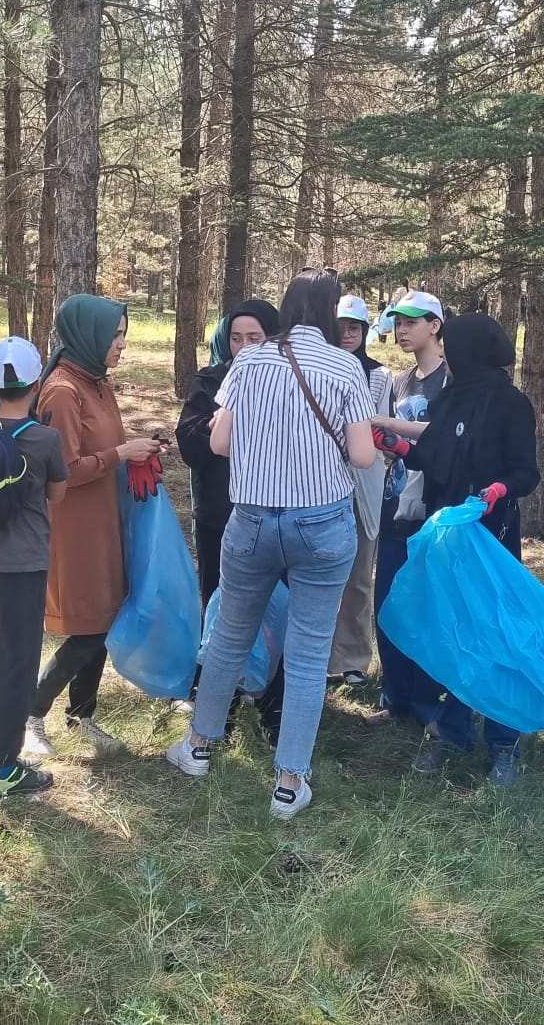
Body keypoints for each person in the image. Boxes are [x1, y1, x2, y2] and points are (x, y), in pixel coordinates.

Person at [165, 269, 376, 819]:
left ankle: (199, 747)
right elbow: (361, 457)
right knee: (307, 655)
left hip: (252, 520)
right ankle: (288, 784)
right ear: (332, 314)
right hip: (322, 525)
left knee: (230, 636)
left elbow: (219, 440)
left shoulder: (250, 361)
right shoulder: (345, 366)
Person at [391, 312, 539, 786]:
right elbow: (436, 457)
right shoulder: (453, 396)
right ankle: (452, 730)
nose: (446, 355)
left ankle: (503, 741)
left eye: (452, 346)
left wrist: (497, 490)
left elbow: (526, 472)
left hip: (490, 537)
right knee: (454, 631)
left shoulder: (511, 403)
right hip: (448, 536)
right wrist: (395, 446)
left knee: (494, 636)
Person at [27, 295, 163, 755]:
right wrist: (121, 455)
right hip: (75, 528)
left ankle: (81, 716)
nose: (122, 345)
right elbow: (61, 468)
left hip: (104, 521)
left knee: (103, 620)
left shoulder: (97, 383)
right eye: (116, 336)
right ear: (90, 337)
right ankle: (30, 713)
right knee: (89, 628)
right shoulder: (63, 391)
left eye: (124, 335)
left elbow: (106, 450)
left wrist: (139, 451)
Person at [0, 337, 67, 797]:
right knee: (16, 661)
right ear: (37, 384)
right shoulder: (44, 439)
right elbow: (57, 495)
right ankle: (5, 765)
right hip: (22, 564)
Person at [370, 290, 446, 725]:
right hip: (393, 503)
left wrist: (390, 426)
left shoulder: (451, 381)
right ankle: (394, 696)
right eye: (398, 322)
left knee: (428, 608)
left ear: (434, 325)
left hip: (432, 512)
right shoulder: (399, 381)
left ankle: (430, 702)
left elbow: (444, 436)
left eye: (412, 322)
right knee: (388, 605)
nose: (402, 330)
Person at [175, 299, 278, 607]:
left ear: (273, 338)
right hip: (219, 515)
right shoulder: (210, 381)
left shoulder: (289, 383)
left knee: (272, 611)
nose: (244, 347)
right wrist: (214, 422)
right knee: (218, 607)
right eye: (236, 339)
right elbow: (188, 444)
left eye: (254, 338)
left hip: (274, 519)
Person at [329, 294, 392, 688]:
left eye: (355, 328)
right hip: (321, 483)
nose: (348, 335)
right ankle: (316, 655)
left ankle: (353, 657)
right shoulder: (321, 368)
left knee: (357, 578)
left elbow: (378, 429)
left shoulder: (380, 375)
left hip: (364, 487)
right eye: (341, 328)